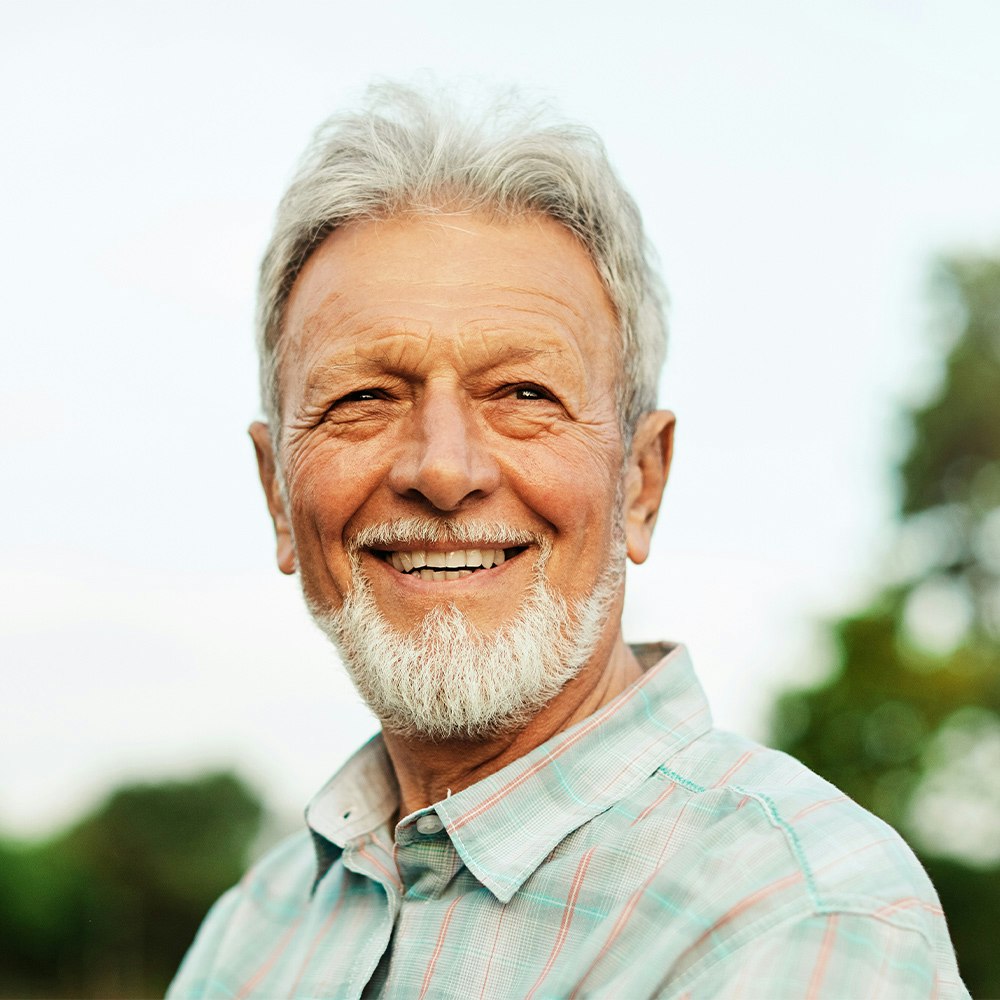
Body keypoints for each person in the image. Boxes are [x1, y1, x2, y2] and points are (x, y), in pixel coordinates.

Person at [168, 84, 968, 999]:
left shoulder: (797, 921)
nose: (442, 468)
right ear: (277, 494)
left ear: (641, 481)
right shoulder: (249, 939)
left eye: (523, 394)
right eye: (362, 399)